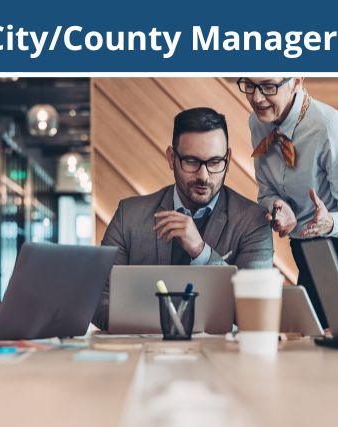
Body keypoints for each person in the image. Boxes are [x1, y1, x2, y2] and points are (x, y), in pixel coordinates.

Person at [92, 107, 273, 330]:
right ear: (171, 158)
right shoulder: (128, 216)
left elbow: (256, 310)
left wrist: (201, 252)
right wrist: (164, 327)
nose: (204, 176)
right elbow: (99, 299)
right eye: (191, 161)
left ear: (228, 158)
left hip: (221, 360)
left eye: (215, 162)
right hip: (145, 356)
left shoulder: (253, 221)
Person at [241, 76, 338, 326]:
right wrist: (279, 208)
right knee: (311, 346)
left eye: (269, 86)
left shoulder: (327, 127)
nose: (257, 98)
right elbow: (267, 190)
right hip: (306, 252)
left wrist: (329, 223)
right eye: (248, 85)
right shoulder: (258, 122)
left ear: (297, 81)